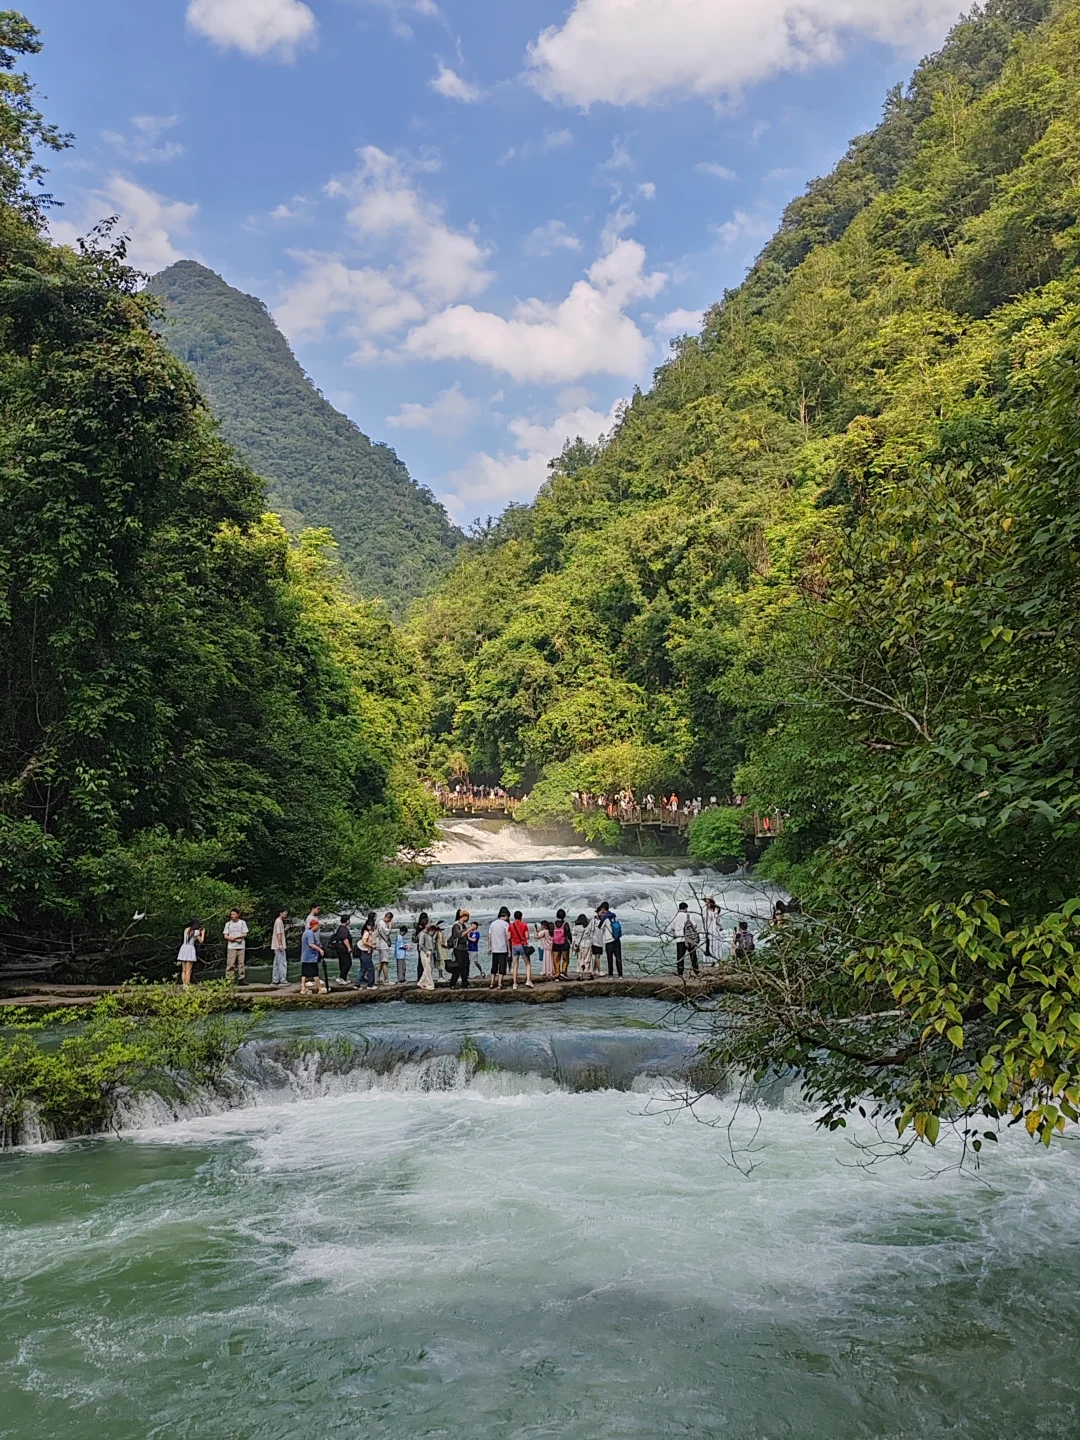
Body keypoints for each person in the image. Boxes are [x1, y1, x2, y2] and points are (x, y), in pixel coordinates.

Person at [670, 901, 701, 976]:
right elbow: (694, 926)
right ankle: (696, 971)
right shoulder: (689, 915)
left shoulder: (674, 916)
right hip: (689, 939)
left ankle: (680, 972)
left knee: (680, 957)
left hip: (679, 940)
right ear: (686, 908)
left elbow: (671, 929)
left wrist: (676, 934)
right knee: (693, 955)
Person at [299, 917, 325, 995]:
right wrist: (320, 950)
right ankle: (320, 988)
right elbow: (311, 944)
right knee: (315, 973)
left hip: (304, 957)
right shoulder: (310, 933)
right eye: (318, 926)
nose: (318, 928)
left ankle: (303, 989)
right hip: (311, 957)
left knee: (304, 973)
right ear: (315, 925)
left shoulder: (305, 932)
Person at [508, 910, 533, 989]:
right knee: (528, 964)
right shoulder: (524, 925)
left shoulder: (511, 926)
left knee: (515, 965)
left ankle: (515, 984)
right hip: (523, 946)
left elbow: (508, 937)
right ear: (521, 917)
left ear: (514, 917)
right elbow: (527, 937)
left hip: (514, 946)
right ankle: (528, 981)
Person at [223, 909, 249, 984]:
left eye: (234, 914)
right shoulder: (228, 924)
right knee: (230, 963)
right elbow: (225, 935)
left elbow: (245, 934)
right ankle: (229, 979)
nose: (232, 916)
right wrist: (232, 939)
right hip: (231, 947)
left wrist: (236, 938)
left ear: (238, 915)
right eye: (231, 914)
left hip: (241, 946)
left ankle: (241, 978)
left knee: (241, 963)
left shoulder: (242, 923)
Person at [488, 906, 511, 990]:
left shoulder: (492, 924)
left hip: (494, 948)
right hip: (503, 948)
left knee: (494, 966)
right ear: (506, 915)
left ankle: (491, 983)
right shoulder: (506, 924)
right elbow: (507, 938)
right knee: (502, 966)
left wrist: (489, 947)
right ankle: (499, 984)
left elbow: (489, 936)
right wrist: (509, 950)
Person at [178, 917, 204, 988]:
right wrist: (203, 933)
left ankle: (184, 984)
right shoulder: (196, 932)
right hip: (190, 949)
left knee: (183, 970)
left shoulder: (186, 929)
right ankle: (187, 985)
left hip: (183, 948)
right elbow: (201, 941)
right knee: (188, 970)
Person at [448, 911, 471, 988]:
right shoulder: (456, 926)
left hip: (464, 948)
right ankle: (452, 983)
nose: (468, 918)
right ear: (463, 916)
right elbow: (460, 935)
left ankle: (465, 982)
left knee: (466, 965)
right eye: (467, 916)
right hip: (458, 949)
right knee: (458, 966)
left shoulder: (464, 925)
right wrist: (471, 929)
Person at [600, 903, 623, 977]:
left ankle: (610, 975)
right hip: (617, 939)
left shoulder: (605, 918)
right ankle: (620, 975)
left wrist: (600, 916)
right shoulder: (614, 915)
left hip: (609, 940)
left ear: (603, 909)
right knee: (618, 957)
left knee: (610, 958)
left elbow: (600, 927)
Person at [331, 914, 353, 984]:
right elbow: (345, 939)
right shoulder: (344, 929)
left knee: (342, 963)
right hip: (343, 948)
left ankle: (344, 978)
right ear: (347, 921)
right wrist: (349, 948)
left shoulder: (340, 928)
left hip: (339, 948)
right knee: (348, 963)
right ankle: (341, 977)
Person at [357, 912, 377, 987]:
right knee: (369, 968)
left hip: (365, 950)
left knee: (363, 968)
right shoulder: (367, 932)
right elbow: (364, 941)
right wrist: (371, 945)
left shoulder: (365, 928)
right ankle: (370, 984)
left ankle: (358, 983)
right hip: (366, 950)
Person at [270, 908, 289, 986]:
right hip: (279, 946)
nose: (286, 914)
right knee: (282, 963)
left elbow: (280, 932)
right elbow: (279, 933)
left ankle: (275, 980)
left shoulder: (279, 921)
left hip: (276, 945)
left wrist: (285, 929)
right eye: (285, 913)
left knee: (276, 963)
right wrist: (280, 944)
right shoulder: (278, 921)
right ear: (280, 913)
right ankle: (282, 980)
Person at [551, 909, 572, 979]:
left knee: (556, 960)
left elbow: (551, 934)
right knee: (565, 959)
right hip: (564, 944)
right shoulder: (565, 924)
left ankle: (557, 974)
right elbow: (568, 934)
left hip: (555, 945)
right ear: (564, 916)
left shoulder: (553, 924)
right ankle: (564, 972)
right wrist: (571, 941)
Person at [375, 912, 393, 985]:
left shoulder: (379, 922)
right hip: (383, 945)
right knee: (385, 962)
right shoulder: (382, 924)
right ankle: (387, 980)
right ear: (388, 918)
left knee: (381, 962)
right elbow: (387, 933)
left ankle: (377, 978)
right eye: (390, 920)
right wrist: (390, 926)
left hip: (380, 944)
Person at [417, 920, 437, 990]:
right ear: (425, 925)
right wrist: (426, 951)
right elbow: (420, 945)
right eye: (429, 923)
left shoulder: (428, 933)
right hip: (425, 953)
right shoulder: (422, 934)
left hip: (429, 952)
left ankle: (422, 982)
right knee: (427, 969)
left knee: (429, 968)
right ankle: (429, 984)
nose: (430, 924)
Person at [572, 913, 592, 977]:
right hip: (587, 944)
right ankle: (588, 974)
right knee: (587, 959)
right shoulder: (588, 927)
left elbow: (573, 934)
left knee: (580, 959)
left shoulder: (576, 928)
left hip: (579, 945)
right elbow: (591, 935)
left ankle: (581, 974)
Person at [704, 897, 723, 963]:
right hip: (708, 929)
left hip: (714, 929)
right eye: (705, 901)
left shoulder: (715, 909)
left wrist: (715, 914)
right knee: (708, 944)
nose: (706, 903)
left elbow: (717, 920)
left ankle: (716, 959)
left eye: (707, 901)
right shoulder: (705, 910)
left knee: (715, 944)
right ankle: (710, 960)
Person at [413, 912, 430, 982]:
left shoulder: (417, 927)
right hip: (426, 946)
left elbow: (414, 939)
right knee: (426, 963)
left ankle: (420, 977)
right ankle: (425, 978)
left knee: (420, 962)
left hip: (419, 947)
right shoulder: (426, 927)